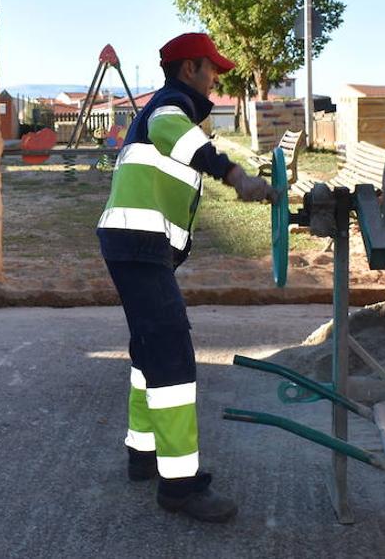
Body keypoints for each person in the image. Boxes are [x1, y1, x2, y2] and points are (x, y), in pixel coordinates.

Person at [96, 32, 275, 523]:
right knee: (172, 356)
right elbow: (170, 127)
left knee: (148, 350)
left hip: (137, 247)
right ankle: (179, 487)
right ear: (189, 69)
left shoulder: (170, 108)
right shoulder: (170, 105)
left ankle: (143, 454)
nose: (217, 78)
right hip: (138, 246)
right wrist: (236, 176)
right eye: (211, 68)